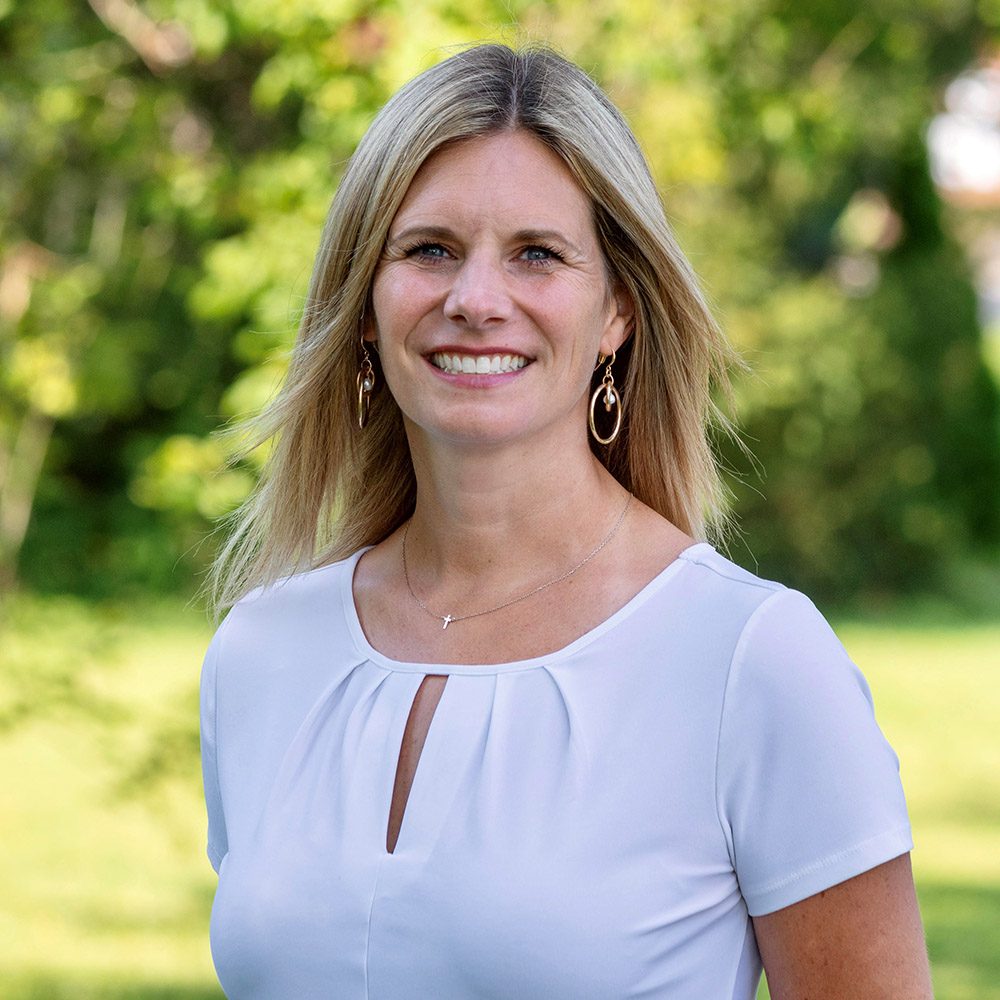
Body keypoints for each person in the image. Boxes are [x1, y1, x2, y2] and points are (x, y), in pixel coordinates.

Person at [200, 43, 933, 998]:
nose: (475, 301)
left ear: (618, 310)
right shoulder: (264, 652)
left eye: (537, 255)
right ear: (366, 305)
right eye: (430, 251)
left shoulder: (749, 661)